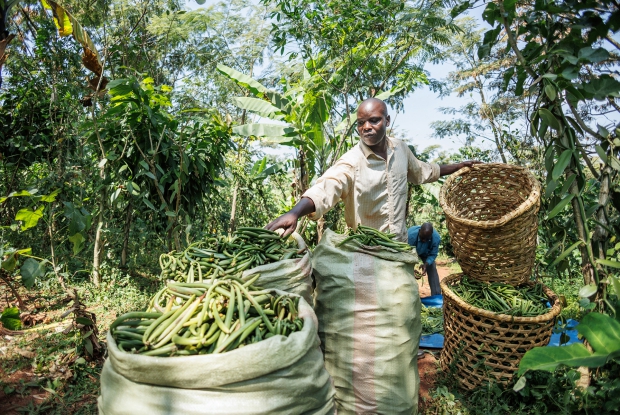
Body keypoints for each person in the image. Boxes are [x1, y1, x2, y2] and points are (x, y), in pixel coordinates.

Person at [266, 97, 478, 239]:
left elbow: (424, 171)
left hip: (398, 247)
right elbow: (327, 188)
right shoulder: (352, 161)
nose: (366, 127)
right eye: (361, 123)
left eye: (374, 121)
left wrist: (458, 166)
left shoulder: (401, 150)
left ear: (387, 120)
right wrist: (295, 213)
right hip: (366, 249)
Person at [408, 222, 441, 296]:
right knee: (406, 269)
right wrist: (411, 269)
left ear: (431, 235)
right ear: (419, 231)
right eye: (422, 238)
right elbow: (406, 254)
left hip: (426, 253)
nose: (424, 240)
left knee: (432, 267)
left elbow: (433, 254)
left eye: (427, 239)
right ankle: (409, 294)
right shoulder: (410, 236)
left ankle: (436, 296)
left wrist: (426, 264)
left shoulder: (436, 238)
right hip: (411, 251)